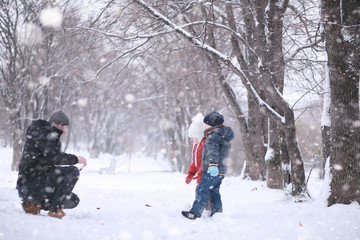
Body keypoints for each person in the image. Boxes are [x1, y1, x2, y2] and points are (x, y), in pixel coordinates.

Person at [16, 110, 87, 219]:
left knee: (73, 200)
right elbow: (55, 158)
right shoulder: (46, 134)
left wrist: (68, 167)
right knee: (73, 172)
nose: (66, 131)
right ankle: (54, 210)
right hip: (30, 184)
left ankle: (34, 204)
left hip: (31, 185)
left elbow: (48, 161)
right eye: (66, 127)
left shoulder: (44, 133)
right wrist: (76, 159)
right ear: (59, 125)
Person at [182, 111, 234, 219]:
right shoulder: (224, 137)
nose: (204, 126)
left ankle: (195, 212)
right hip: (221, 171)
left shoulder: (212, 137)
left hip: (211, 170)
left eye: (206, 124)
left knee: (202, 189)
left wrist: (213, 164)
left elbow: (213, 152)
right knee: (214, 192)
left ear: (211, 125)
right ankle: (217, 213)